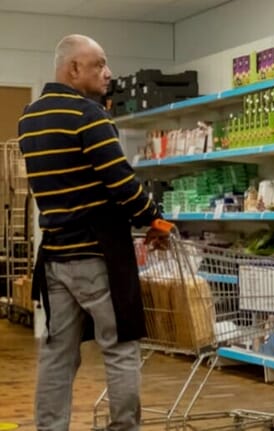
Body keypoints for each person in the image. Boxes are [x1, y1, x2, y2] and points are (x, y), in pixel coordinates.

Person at [18, 34, 169, 431]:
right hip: (98, 256)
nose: (109, 73)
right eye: (99, 64)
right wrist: (152, 217)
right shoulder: (88, 115)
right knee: (120, 349)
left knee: (57, 354)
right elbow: (120, 180)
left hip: (53, 257)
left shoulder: (29, 118)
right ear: (73, 69)